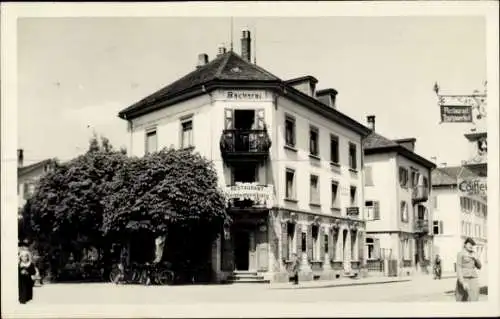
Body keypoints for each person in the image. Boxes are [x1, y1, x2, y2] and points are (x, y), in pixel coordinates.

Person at [455, 237, 482, 302]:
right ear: (465, 244)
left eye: (472, 244)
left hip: (473, 278)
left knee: (474, 297)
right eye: (469, 244)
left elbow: (479, 266)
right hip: (464, 278)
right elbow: (458, 268)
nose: (471, 246)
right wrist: (462, 281)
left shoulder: (474, 253)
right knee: (462, 298)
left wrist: (476, 259)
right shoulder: (460, 254)